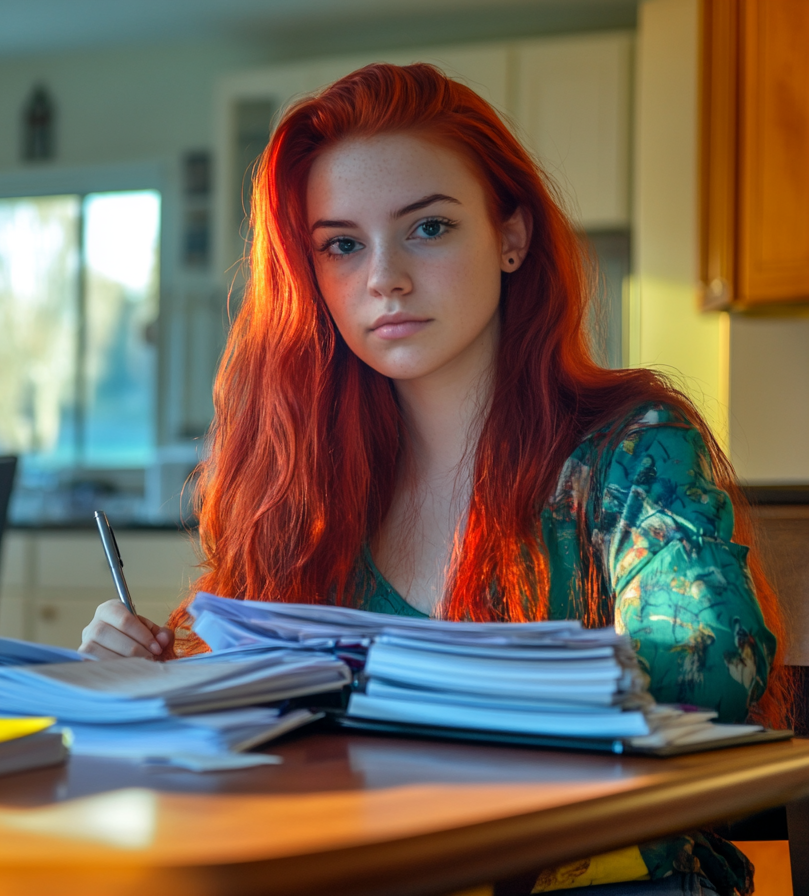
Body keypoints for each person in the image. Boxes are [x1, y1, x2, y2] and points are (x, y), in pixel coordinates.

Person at [79, 63, 789, 896]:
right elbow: (245, 707)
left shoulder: (636, 448)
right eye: (343, 245)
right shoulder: (305, 485)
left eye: (429, 229)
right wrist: (150, 682)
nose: (385, 277)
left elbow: (706, 684)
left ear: (511, 236)